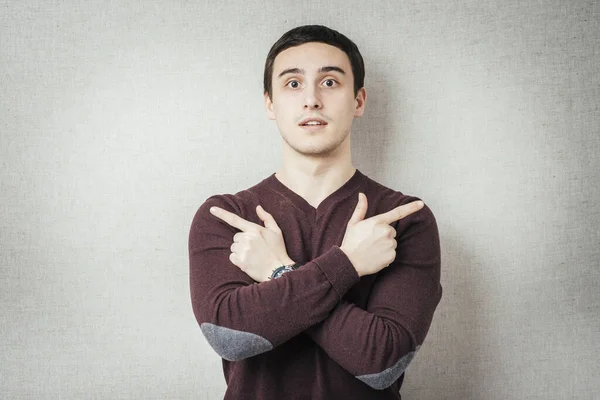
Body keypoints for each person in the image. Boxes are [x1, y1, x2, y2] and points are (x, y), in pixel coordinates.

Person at [188, 24, 442, 400]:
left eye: (329, 82)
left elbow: (382, 361)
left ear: (358, 101)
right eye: (292, 84)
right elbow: (231, 337)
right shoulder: (226, 216)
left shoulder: (403, 218)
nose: (311, 100)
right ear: (270, 103)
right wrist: (348, 264)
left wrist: (277, 273)